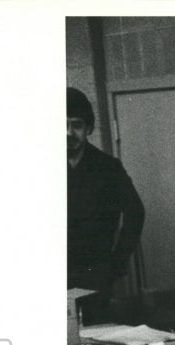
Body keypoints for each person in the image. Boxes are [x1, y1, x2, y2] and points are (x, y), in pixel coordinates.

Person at [67, 87, 145, 297]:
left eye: (76, 125)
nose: (68, 133)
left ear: (88, 128)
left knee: (99, 328)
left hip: (95, 273)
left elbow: (135, 213)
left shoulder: (108, 167)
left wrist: (116, 264)